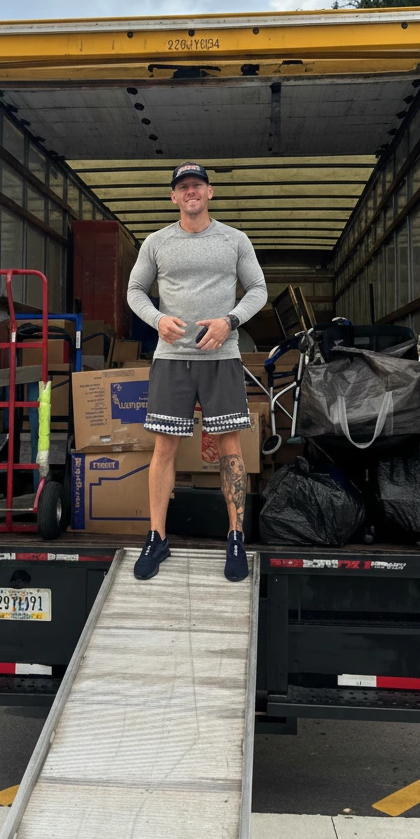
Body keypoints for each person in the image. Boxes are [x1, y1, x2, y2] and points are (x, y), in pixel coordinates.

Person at [126, 162, 267, 582]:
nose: (191, 191)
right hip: (171, 360)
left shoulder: (234, 240)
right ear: (173, 197)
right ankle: (157, 537)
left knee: (230, 449)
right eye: (183, 186)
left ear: (210, 193)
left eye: (197, 185)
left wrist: (231, 321)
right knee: (164, 449)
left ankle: (236, 535)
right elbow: (134, 290)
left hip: (222, 358)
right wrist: (156, 320)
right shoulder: (156, 243)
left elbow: (258, 288)